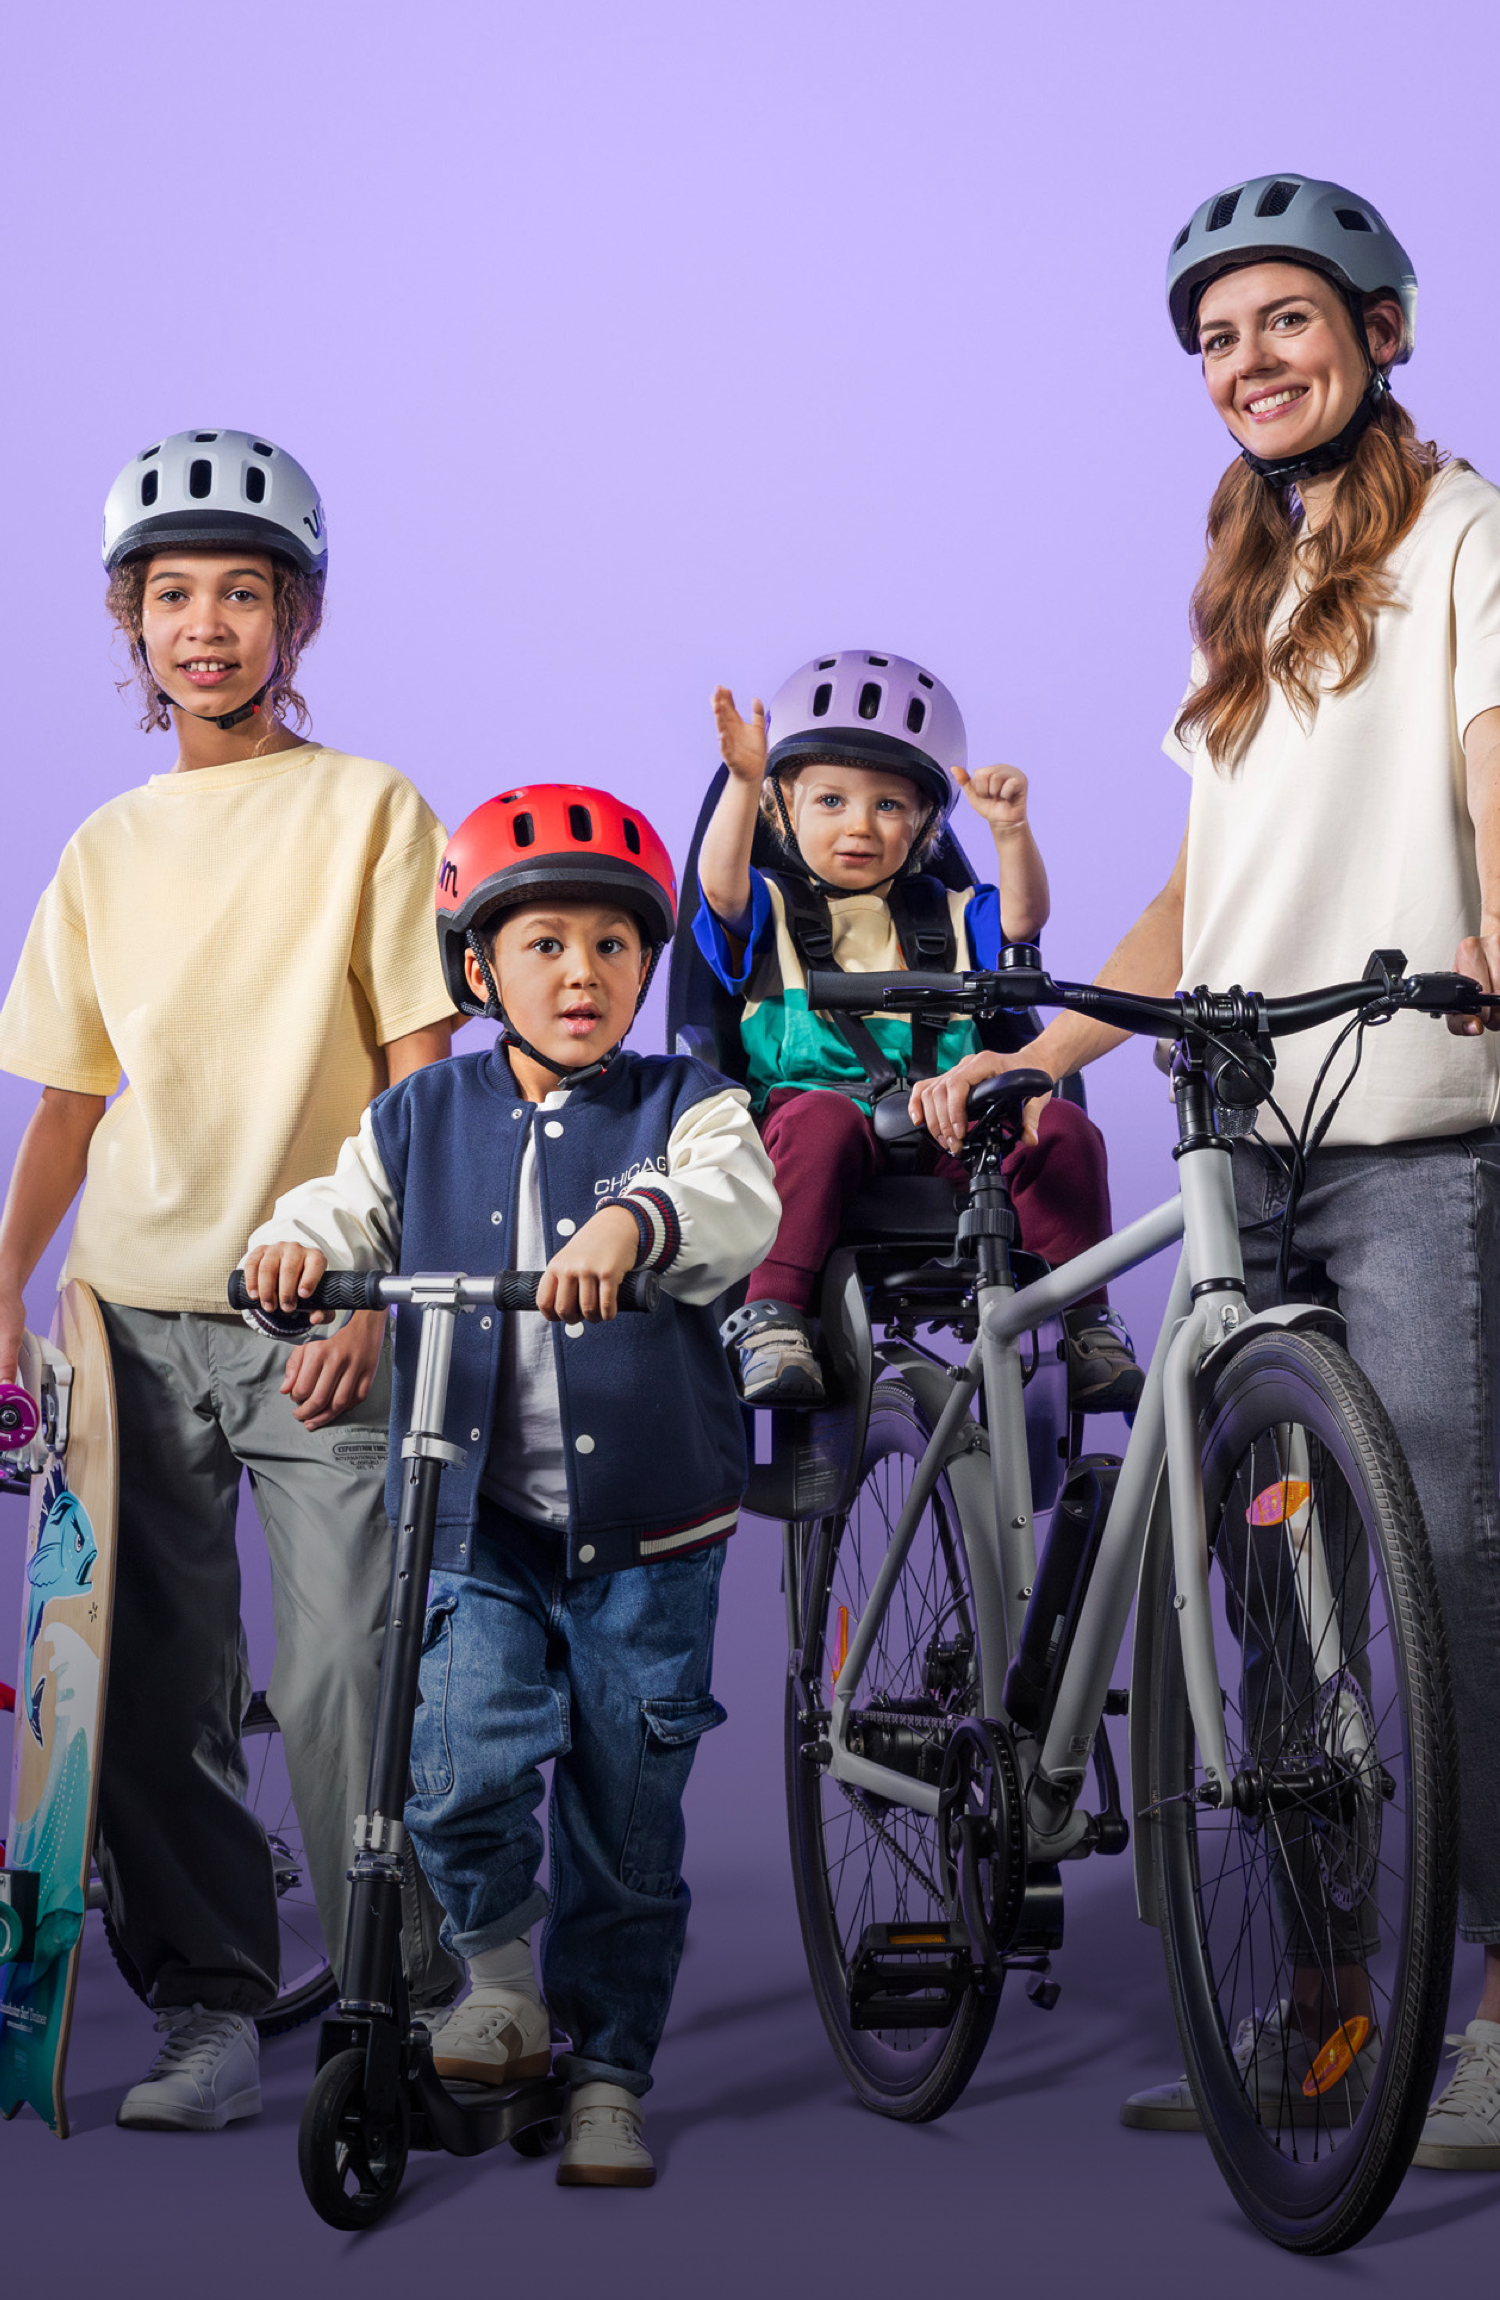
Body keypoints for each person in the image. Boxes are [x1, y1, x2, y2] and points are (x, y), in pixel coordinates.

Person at [910, 174, 1500, 2170]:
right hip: (1246, 1134)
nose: (1249, 363)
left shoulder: (1468, 533)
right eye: (1217, 340)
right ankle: (1328, 2009)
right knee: (1271, 1580)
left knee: (1447, 1568)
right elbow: (1196, 893)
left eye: (1286, 321)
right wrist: (1040, 1053)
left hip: (1416, 1113)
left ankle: (1494, 2008)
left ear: (1381, 332)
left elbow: (1496, 762)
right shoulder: (1242, 596)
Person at [0, 430, 458, 2131]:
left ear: (299, 618)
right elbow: (69, 1102)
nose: (208, 627)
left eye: (243, 595)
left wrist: (378, 1285)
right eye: (174, 596)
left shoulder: (368, 810)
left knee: (348, 1669)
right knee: (147, 1680)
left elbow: (423, 1069)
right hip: (123, 1318)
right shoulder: (105, 846)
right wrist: (6, 1291)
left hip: (314, 1308)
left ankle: (390, 2004)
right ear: (132, 623)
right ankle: (206, 2003)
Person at [242, 785, 780, 2187]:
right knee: (454, 1758)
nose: (581, 974)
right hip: (478, 1514)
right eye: (543, 944)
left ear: (646, 967)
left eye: (613, 947)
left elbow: (736, 1200)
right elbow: (338, 1203)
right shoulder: (423, 1112)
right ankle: (500, 1983)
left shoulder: (690, 1103)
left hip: (653, 1531)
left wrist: (633, 1216)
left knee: (626, 1815)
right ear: (479, 969)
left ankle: (608, 2072)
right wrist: (293, 1252)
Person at [694, 651, 1141, 1411]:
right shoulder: (766, 908)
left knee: (1062, 1126)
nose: (859, 826)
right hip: (818, 1117)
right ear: (784, 812)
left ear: (926, 823)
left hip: (949, 1121)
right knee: (821, 1123)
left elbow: (1025, 920)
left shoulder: (953, 911)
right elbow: (720, 886)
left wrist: (1012, 832)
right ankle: (774, 1314)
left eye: (889, 807)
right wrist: (742, 782)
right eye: (830, 801)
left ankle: (1086, 1322)